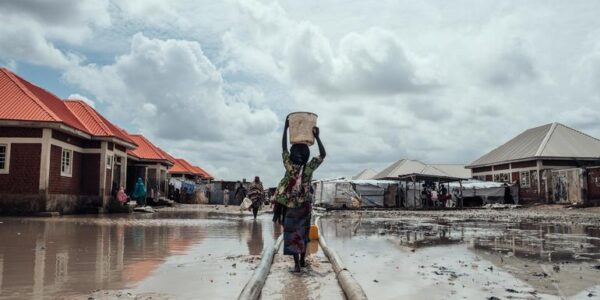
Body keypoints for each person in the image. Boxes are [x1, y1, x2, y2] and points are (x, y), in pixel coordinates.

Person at [275, 118, 325, 273]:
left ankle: (297, 264)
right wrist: (317, 137)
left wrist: (285, 129)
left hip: (290, 208)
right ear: (306, 155)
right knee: (303, 233)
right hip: (304, 207)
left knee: (291, 235)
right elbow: (323, 154)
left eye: (292, 152)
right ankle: (302, 261)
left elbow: (283, 148)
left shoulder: (289, 167)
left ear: (293, 154)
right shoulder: (308, 168)